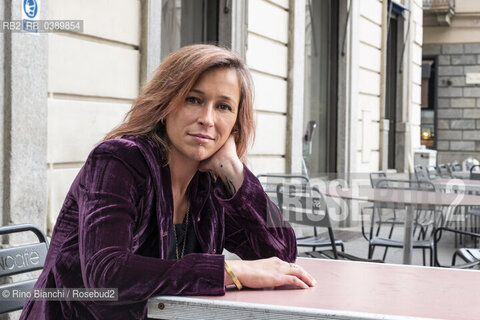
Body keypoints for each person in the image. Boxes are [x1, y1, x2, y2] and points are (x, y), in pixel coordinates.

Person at [20, 44, 315, 319]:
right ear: (167, 102)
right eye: (194, 100)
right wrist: (228, 271)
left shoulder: (210, 182)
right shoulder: (119, 161)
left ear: (236, 122)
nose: (207, 119)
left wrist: (236, 172)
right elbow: (106, 273)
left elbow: (281, 256)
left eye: (223, 106)